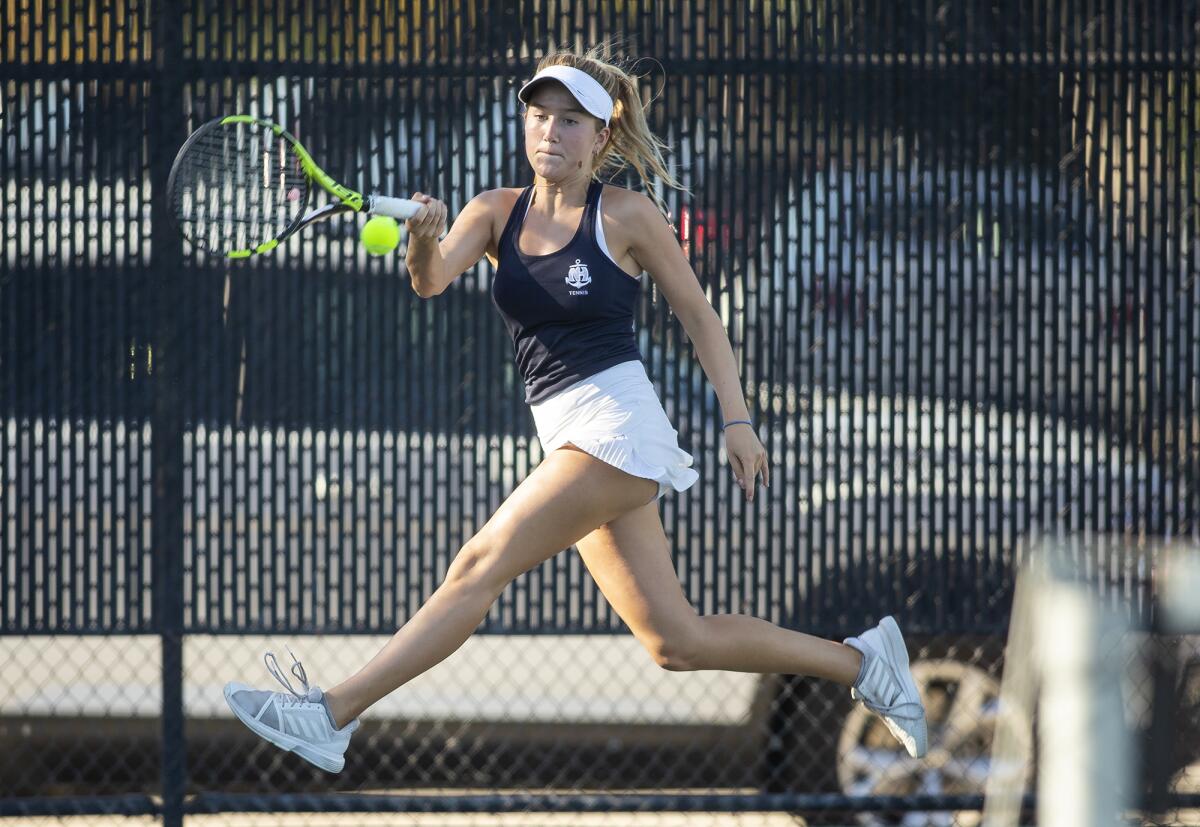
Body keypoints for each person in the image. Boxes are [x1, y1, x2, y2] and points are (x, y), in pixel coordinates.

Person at [224, 45, 927, 775]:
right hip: (565, 433)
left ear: (602, 136)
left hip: (616, 429)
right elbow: (431, 282)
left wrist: (737, 418)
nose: (549, 133)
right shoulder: (493, 211)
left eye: (568, 121)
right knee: (674, 641)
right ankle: (863, 662)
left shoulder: (627, 213)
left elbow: (700, 316)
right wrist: (420, 243)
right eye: (538, 116)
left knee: (477, 565)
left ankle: (330, 713)